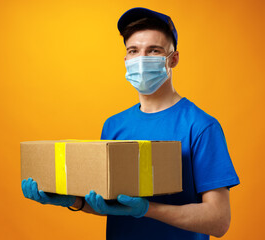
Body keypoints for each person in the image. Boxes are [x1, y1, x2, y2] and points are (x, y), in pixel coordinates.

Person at [21, 7, 240, 240]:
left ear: (173, 59)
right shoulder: (114, 125)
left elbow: (218, 220)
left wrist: (147, 209)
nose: (142, 59)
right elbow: (110, 204)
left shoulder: (201, 126)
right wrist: (71, 200)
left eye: (153, 51)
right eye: (134, 51)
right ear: (126, 60)